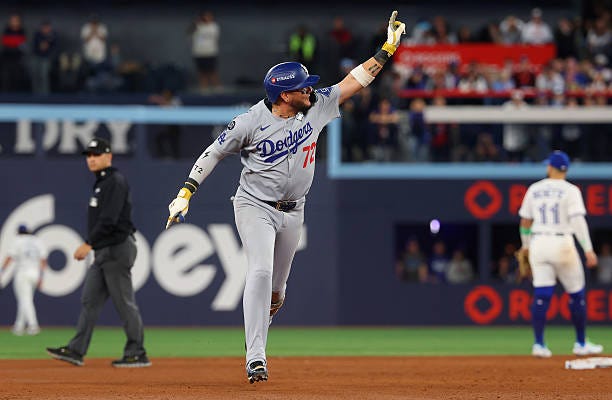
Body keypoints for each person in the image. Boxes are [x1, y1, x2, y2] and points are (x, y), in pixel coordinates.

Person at [165, 11, 406, 383]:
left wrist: (387, 49)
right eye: (303, 87)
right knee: (258, 272)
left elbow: (354, 81)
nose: (311, 89)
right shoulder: (248, 122)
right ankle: (255, 357)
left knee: (276, 292)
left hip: (295, 211)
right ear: (284, 95)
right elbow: (213, 152)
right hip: (254, 205)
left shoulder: (317, 104)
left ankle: (265, 319)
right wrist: (186, 191)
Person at [47, 137, 151, 368]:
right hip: (104, 251)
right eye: (89, 155)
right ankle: (76, 350)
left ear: (109, 155)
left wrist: (88, 243)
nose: (91, 159)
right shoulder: (101, 183)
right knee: (89, 301)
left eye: (96, 154)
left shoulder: (115, 181)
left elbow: (109, 220)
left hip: (117, 248)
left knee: (124, 303)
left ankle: (137, 352)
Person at [518, 150, 603, 358]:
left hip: (539, 242)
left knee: (542, 294)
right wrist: (588, 249)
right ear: (566, 169)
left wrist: (526, 246)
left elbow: (525, 222)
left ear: (549, 167)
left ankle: (539, 345)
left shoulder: (535, 189)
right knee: (576, 294)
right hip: (562, 242)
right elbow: (577, 221)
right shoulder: (571, 190)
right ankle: (581, 343)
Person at [0, 224, 48, 336]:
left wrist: (2, 271)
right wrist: (42, 276)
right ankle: (19, 326)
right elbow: (43, 259)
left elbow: (9, 257)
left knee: (25, 300)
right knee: (26, 299)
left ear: (18, 232)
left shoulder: (18, 240)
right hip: (35, 272)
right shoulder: (37, 241)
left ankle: (33, 325)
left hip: (23, 272)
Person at [188, 11, 220, 90]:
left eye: (209, 16)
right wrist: (195, 24)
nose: (207, 18)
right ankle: (203, 88)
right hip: (199, 53)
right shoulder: (197, 26)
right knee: (202, 72)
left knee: (212, 71)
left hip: (210, 52)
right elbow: (188, 32)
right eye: (206, 16)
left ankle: (217, 88)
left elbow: (215, 36)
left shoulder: (214, 26)